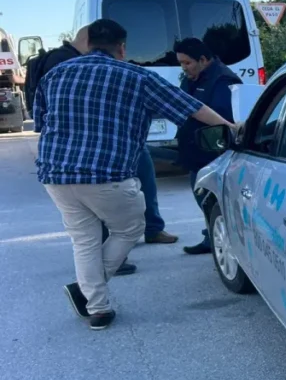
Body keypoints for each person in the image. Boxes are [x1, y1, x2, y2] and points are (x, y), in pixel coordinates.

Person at [34, 20, 235, 330]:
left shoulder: (54, 75)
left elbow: (40, 122)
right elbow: (192, 108)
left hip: (56, 174)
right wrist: (232, 127)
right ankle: (89, 293)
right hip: (106, 174)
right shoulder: (137, 76)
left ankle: (97, 307)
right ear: (122, 47)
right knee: (130, 229)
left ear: (88, 44)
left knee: (84, 240)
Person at [27, 28, 176, 276]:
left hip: (104, 147)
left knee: (142, 187)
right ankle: (112, 261)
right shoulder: (63, 64)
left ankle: (95, 292)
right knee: (113, 221)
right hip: (95, 150)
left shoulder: (63, 65)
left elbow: (41, 120)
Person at [174, 37, 242, 255]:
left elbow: (223, 117)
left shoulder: (222, 80)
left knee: (212, 199)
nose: (184, 68)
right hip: (196, 151)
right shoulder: (194, 78)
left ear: (203, 59)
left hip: (213, 152)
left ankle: (222, 240)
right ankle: (211, 235)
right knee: (203, 198)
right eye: (181, 63)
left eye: (187, 63)